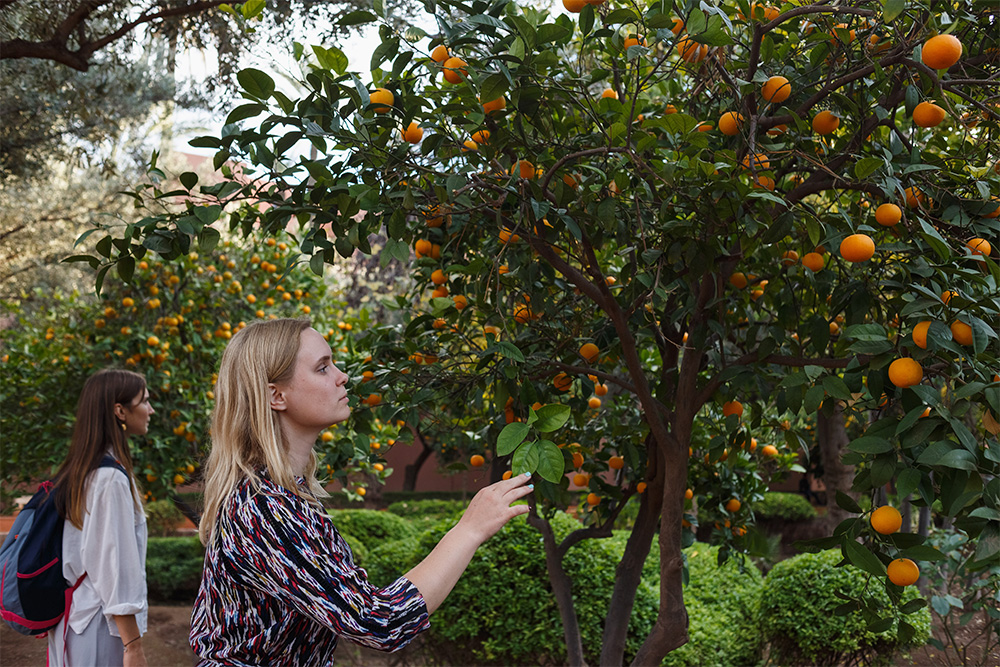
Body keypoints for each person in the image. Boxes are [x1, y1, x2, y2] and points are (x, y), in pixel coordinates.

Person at [190, 318, 533, 665]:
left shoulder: (286, 494)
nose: (343, 376)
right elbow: (378, 623)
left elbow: (356, 606)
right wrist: (469, 530)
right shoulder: (263, 509)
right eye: (322, 368)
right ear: (276, 395)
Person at [49, 369, 153, 667]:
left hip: (79, 620)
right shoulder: (110, 479)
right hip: (98, 624)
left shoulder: (86, 470)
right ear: (120, 411)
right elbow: (113, 567)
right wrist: (133, 647)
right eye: (144, 401)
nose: (151, 409)